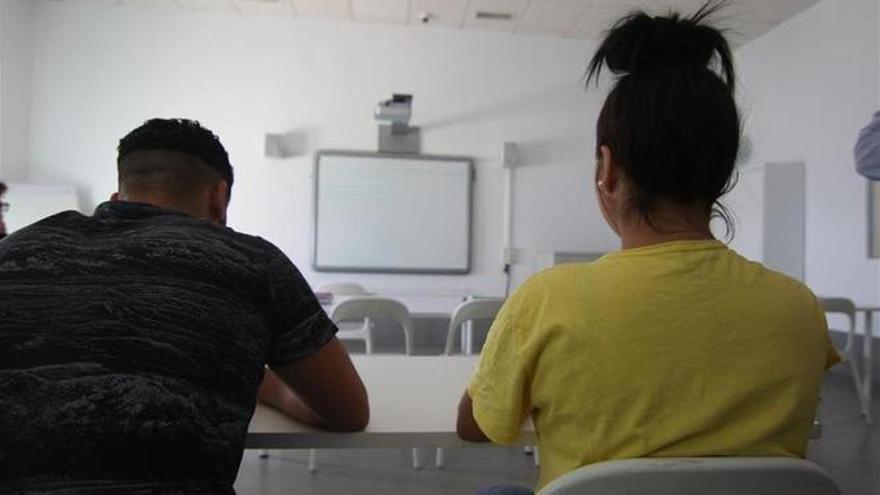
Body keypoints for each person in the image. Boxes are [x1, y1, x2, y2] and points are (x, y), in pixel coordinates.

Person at [457, 5, 839, 494]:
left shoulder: (548, 300)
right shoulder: (798, 308)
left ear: (608, 169)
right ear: (724, 169)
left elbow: (476, 425)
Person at [0, 118, 368, 493]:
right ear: (219, 197)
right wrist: (265, 385)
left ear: (117, 197)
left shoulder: (11, 254)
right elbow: (347, 412)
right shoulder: (255, 263)